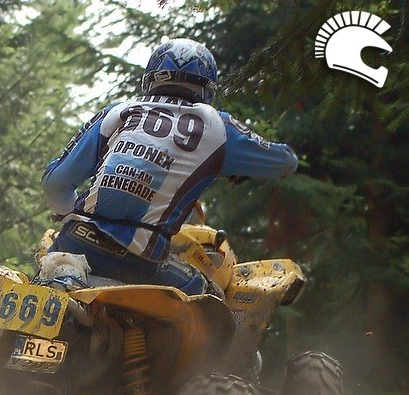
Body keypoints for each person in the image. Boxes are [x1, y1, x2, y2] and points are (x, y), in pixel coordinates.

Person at [41, 38, 298, 296]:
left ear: (151, 78)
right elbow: (285, 161)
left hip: (76, 240)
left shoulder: (119, 112)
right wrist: (236, 165)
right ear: (207, 87)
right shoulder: (217, 126)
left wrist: (73, 213)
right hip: (139, 258)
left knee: (41, 281)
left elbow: (55, 183)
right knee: (208, 295)